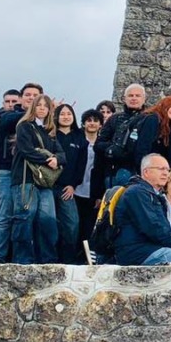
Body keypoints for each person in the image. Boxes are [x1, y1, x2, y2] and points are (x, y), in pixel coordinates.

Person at [0, 82, 39, 263]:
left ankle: (20, 260)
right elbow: (9, 123)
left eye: (35, 96)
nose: (31, 98)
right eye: (28, 95)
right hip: (7, 171)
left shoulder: (42, 120)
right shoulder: (9, 116)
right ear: (22, 98)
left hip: (30, 174)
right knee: (3, 216)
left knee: (24, 217)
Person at [11, 94, 65, 265]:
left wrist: (58, 159)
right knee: (25, 216)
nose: (42, 108)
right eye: (39, 105)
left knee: (48, 219)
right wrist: (48, 159)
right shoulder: (24, 126)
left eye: (45, 105)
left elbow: (62, 154)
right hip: (26, 178)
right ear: (33, 107)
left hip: (45, 182)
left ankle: (48, 260)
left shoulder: (50, 131)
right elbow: (26, 150)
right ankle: (23, 260)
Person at [95, 83, 148, 190]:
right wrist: (114, 148)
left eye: (137, 96)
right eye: (130, 95)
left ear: (144, 99)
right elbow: (98, 145)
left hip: (139, 173)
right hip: (114, 172)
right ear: (124, 98)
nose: (134, 98)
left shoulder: (149, 120)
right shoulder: (114, 119)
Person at [52, 103, 83, 264]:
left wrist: (73, 185)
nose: (65, 116)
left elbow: (81, 165)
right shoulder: (50, 134)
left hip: (67, 188)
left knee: (72, 224)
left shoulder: (79, 137)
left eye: (69, 113)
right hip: (48, 186)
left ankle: (68, 260)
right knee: (49, 222)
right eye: (62, 114)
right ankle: (49, 259)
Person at [73, 108, 106, 253]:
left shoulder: (103, 144)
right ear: (84, 123)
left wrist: (100, 195)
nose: (92, 123)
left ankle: (85, 256)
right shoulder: (77, 140)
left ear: (100, 125)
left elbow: (102, 172)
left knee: (89, 226)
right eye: (89, 120)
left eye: (95, 121)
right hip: (76, 189)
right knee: (74, 225)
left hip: (93, 192)